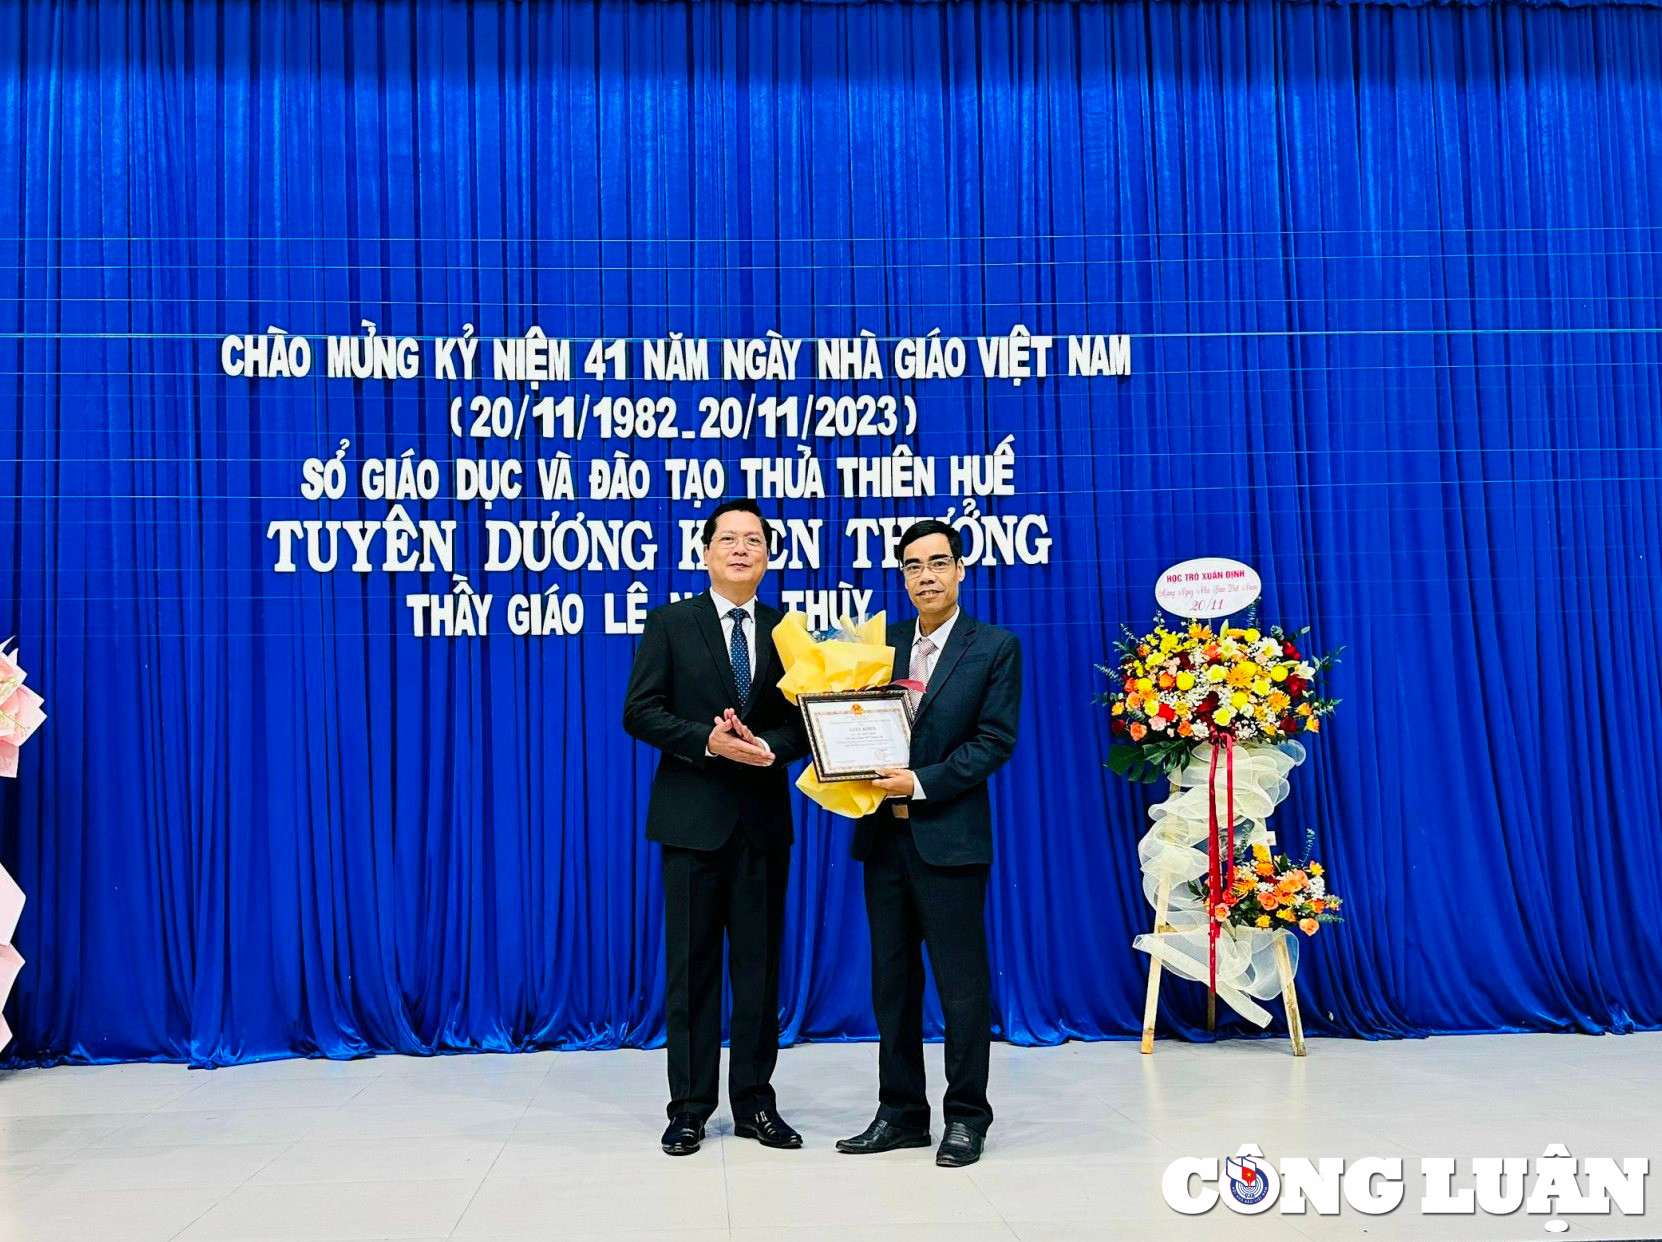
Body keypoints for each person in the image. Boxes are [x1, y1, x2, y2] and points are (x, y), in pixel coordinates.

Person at [622, 498, 809, 1157]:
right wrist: (708, 741)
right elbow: (640, 712)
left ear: (767, 555)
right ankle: (690, 1109)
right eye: (727, 539)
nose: (740, 549)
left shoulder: (789, 628)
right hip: (692, 822)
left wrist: (768, 748)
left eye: (752, 540)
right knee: (693, 971)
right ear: (705, 553)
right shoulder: (671, 623)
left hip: (761, 824)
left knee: (757, 974)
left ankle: (756, 1105)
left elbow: (802, 723)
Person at [836, 518, 1022, 1168]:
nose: (926, 577)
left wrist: (919, 781)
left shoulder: (994, 646)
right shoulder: (878, 645)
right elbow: (848, 723)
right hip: (882, 843)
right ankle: (902, 1113)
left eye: (937, 563)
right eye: (913, 566)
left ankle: (967, 1117)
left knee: (962, 988)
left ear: (961, 570)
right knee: (892, 985)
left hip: (950, 842)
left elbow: (994, 742)